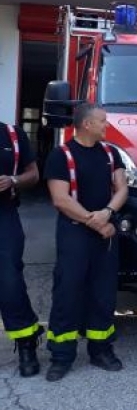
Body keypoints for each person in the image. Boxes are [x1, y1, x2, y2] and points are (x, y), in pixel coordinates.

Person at [43, 103, 128, 381]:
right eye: (103, 121)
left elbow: (122, 189)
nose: (107, 126)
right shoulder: (60, 155)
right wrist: (95, 222)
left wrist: (108, 213)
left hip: (105, 231)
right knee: (68, 292)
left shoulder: (110, 153)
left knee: (103, 293)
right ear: (87, 124)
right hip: (74, 231)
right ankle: (62, 356)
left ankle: (101, 350)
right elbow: (61, 199)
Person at [0, 119, 41, 377]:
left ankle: (26, 342)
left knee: (9, 279)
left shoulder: (12, 135)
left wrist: (12, 180)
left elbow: (34, 174)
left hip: (4, 215)